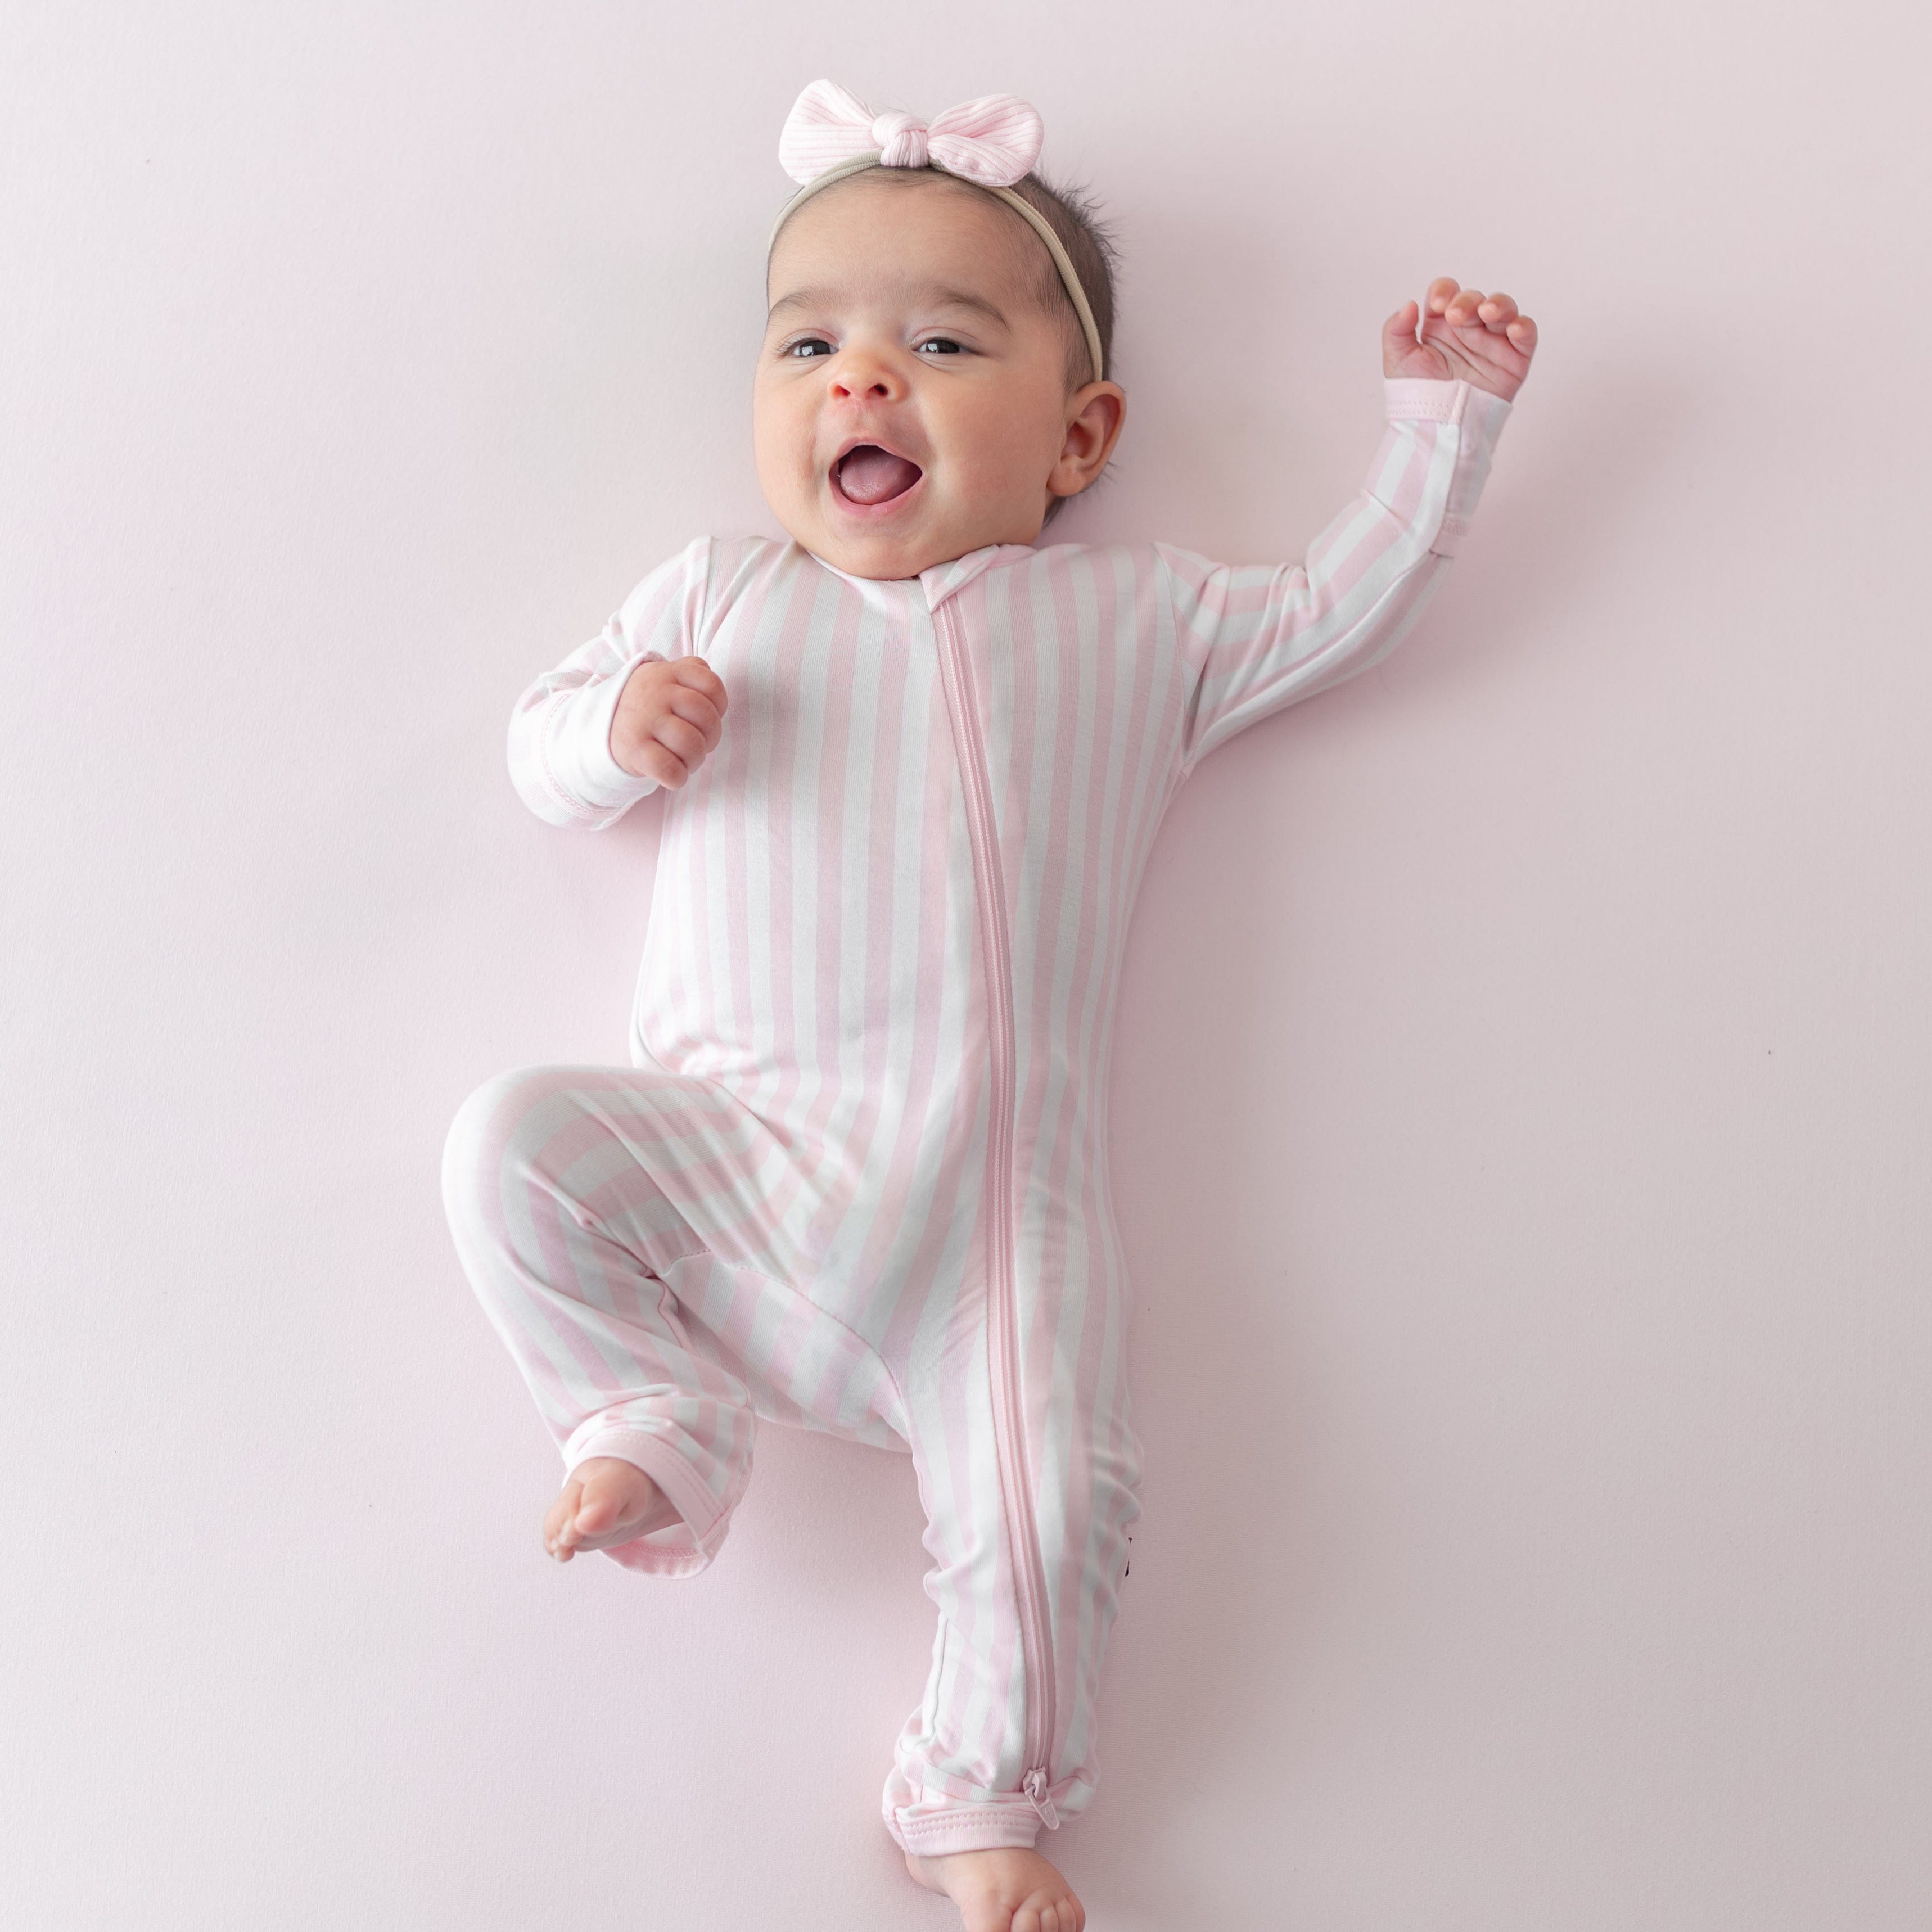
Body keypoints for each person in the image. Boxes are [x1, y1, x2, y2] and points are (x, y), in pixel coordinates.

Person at [441, 78, 1536, 1932]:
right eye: (811, 344)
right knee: (512, 1144)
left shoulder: (1133, 630)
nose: (861, 382)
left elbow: (1337, 609)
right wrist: (612, 735)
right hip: (736, 1171)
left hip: (988, 1239)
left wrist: (1442, 429)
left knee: (1054, 1511)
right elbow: (537, 750)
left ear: (1078, 432)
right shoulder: (718, 595)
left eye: (941, 342)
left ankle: (977, 1792)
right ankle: (652, 1406)